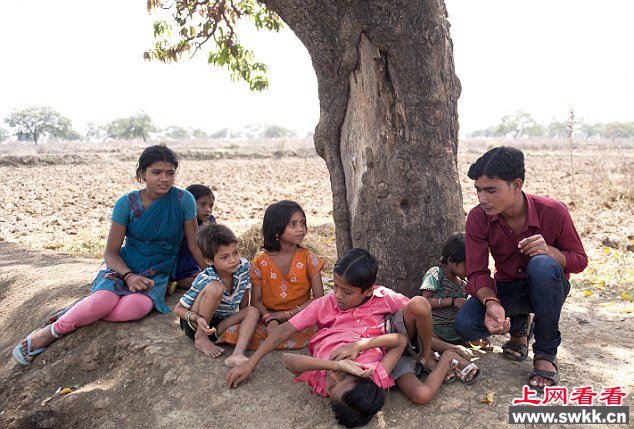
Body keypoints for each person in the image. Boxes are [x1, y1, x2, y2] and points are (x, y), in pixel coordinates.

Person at [227, 249, 478, 427]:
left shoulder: (383, 296)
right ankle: (440, 358)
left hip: (391, 335)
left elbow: (411, 322)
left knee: (419, 305)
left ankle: (429, 357)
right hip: (389, 345)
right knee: (419, 391)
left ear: (368, 290)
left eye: (346, 291)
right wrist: (251, 363)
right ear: (360, 380)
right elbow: (283, 331)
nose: (336, 295)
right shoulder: (328, 308)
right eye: (334, 286)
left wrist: (356, 348)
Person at [13, 145, 206, 365]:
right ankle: (49, 332)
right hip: (123, 266)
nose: (164, 179)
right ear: (142, 173)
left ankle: (80, 310)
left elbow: (194, 245)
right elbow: (110, 253)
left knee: (134, 308)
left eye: (170, 173)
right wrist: (129, 276)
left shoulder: (184, 200)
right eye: (157, 172)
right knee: (103, 300)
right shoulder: (126, 203)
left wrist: (211, 275)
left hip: (157, 271)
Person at [454, 146, 588, 391]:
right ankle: (518, 328)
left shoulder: (553, 211)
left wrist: (551, 251)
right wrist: (491, 302)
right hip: (507, 289)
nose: (482, 199)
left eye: (491, 190)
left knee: (542, 264)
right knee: (465, 324)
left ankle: (546, 353)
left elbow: (580, 260)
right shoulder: (477, 217)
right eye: (478, 190)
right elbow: (477, 273)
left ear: (516, 185)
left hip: (548, 287)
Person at [174, 223, 259, 367]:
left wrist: (242, 319)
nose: (233, 260)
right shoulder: (205, 278)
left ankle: (238, 354)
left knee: (252, 310)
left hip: (219, 325)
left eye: (235, 252)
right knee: (216, 288)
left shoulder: (243, 267)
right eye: (224, 257)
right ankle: (200, 338)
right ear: (209, 260)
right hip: (196, 323)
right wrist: (197, 319)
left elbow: (244, 292)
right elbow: (178, 308)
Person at [248, 200, 324, 349]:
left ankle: (277, 339)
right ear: (276, 231)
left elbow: (319, 298)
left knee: (321, 329)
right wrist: (270, 319)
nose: (300, 229)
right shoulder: (260, 262)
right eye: (293, 224)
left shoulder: (310, 259)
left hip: (302, 316)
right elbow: (255, 301)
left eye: (302, 223)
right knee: (241, 332)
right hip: (269, 318)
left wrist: (287, 315)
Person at [420, 232, 492, 350]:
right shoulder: (436, 274)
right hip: (434, 329)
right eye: (467, 266)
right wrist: (453, 301)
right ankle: (453, 349)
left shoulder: (464, 285)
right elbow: (424, 302)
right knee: (424, 338)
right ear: (451, 261)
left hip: (453, 333)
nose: (471, 270)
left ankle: (453, 347)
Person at [170, 184, 216, 291]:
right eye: (203, 204)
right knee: (204, 283)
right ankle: (174, 281)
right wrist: (211, 273)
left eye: (211, 206)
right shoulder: (182, 222)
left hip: (196, 263)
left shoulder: (210, 221)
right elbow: (193, 246)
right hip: (179, 264)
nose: (208, 209)